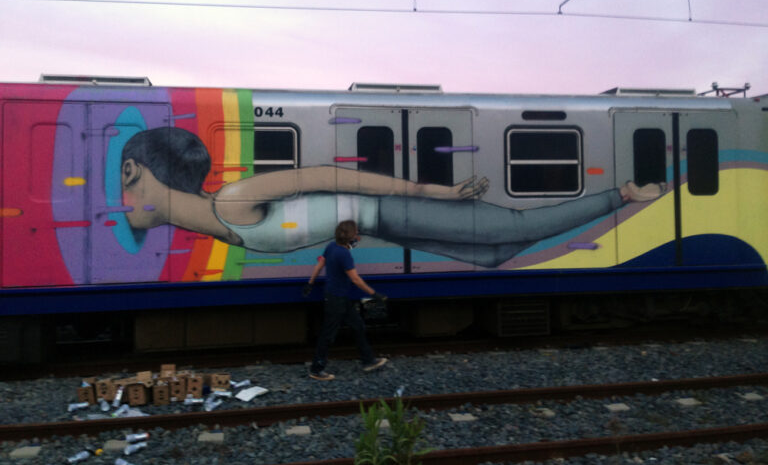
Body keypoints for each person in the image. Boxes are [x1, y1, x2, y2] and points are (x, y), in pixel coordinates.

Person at [120, 127, 665, 267]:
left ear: (135, 171)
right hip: (387, 226)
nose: (121, 203)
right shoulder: (222, 224)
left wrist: (437, 192)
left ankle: (624, 193)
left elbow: (336, 177)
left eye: (125, 184)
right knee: (496, 254)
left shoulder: (235, 202)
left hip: (392, 210)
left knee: (516, 229)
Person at [303, 220, 388, 380]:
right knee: (328, 334)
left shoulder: (331, 246)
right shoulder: (344, 254)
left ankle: (368, 361)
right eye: (356, 232)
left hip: (337, 297)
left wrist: (310, 283)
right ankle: (316, 369)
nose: (357, 234)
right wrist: (374, 294)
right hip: (336, 299)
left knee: (358, 326)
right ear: (350, 236)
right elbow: (355, 279)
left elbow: (319, 265)